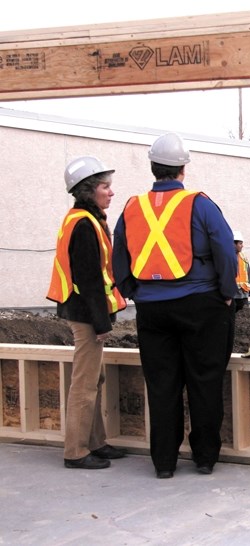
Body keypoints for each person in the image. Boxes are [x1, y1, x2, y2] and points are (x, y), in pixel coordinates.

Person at [112, 132, 238, 479]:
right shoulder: (200, 204)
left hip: (152, 310)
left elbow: (118, 252)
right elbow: (225, 250)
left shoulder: (131, 206)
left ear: (153, 167)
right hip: (201, 304)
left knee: (162, 384)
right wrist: (227, 291)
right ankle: (205, 458)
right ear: (183, 168)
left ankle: (164, 462)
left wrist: (132, 290)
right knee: (204, 380)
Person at [46, 156, 128, 470]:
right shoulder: (83, 224)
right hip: (85, 313)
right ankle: (76, 451)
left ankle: (95, 442)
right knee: (84, 383)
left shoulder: (85, 220)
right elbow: (89, 278)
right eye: (106, 187)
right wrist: (101, 322)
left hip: (82, 310)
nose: (111, 192)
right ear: (88, 190)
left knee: (95, 376)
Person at [232, 231, 250, 312]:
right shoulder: (228, 258)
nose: (242, 246)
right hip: (232, 296)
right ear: (234, 244)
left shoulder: (243, 257)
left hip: (244, 295)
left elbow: (248, 274)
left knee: (245, 320)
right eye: (240, 243)